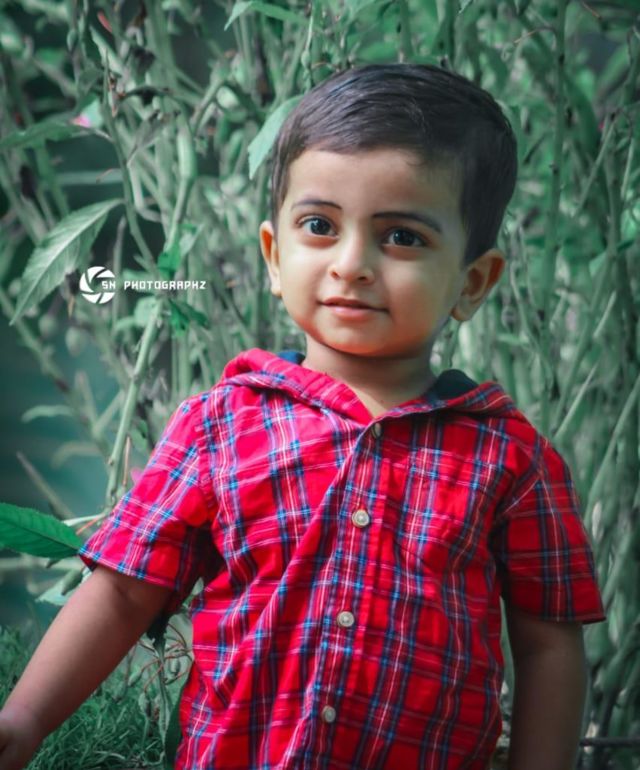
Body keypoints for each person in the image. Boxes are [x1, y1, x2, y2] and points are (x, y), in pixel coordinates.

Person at [0, 63, 605, 770]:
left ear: (473, 282)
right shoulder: (222, 424)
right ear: (274, 255)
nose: (352, 264)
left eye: (403, 237)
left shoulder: (509, 457)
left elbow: (548, 642)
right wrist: (25, 717)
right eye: (319, 226)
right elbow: (123, 592)